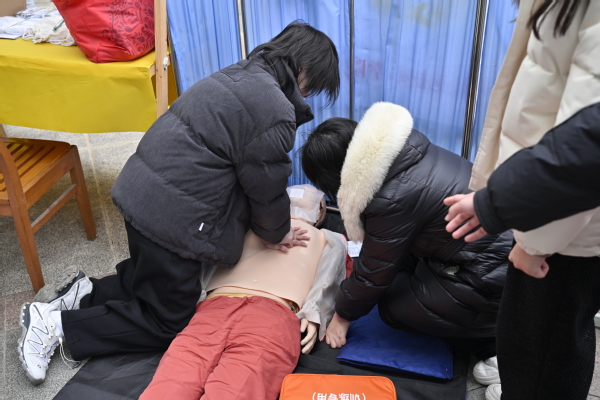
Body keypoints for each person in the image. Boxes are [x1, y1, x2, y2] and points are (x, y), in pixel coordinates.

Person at [17, 21, 340, 385]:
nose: (308, 94)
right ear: (304, 68)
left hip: (141, 190)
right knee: (168, 319)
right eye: (313, 86)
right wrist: (277, 232)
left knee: (149, 275)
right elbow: (267, 186)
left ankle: (85, 292)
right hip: (172, 216)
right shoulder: (273, 107)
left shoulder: (242, 73)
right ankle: (56, 326)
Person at [445, 0, 600, 398]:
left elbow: (587, 146)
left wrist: (532, 242)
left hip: (563, 228)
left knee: (542, 351)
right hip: (551, 213)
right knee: (548, 340)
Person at [300, 102, 513, 381]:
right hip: (500, 252)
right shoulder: (407, 151)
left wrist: (341, 317)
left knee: (392, 308)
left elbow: (372, 274)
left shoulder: (390, 197)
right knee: (394, 275)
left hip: (494, 279)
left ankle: (494, 341)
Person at [139, 184, 348, 400]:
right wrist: (314, 314)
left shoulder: (249, 228)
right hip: (252, 313)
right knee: (216, 387)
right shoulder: (325, 238)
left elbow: (328, 278)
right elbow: (330, 280)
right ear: (320, 213)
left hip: (227, 309)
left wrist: (314, 313)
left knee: (180, 380)